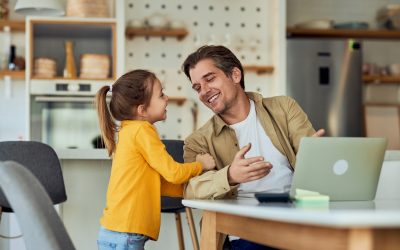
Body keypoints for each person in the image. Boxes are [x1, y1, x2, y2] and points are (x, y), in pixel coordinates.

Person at [181, 45, 324, 249]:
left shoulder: (284, 108)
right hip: (245, 230)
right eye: (197, 87)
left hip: (298, 220)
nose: (204, 91)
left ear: (235, 74)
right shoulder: (198, 140)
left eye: (210, 79)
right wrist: (229, 175)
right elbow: (190, 189)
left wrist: (317, 156)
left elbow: (308, 154)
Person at [95, 69, 216, 250]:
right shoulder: (143, 130)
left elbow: (157, 183)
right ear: (142, 110)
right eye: (161, 95)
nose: (166, 98)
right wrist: (201, 165)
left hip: (114, 231)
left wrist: (192, 191)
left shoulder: (129, 131)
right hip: (126, 235)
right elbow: (174, 173)